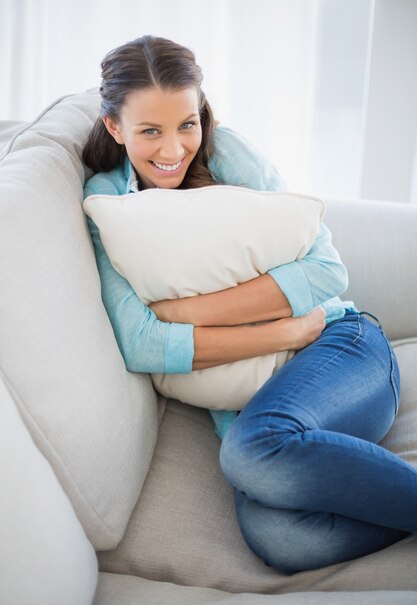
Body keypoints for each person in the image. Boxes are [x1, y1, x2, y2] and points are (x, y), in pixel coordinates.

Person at [83, 35, 416, 575]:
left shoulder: (225, 154)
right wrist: (280, 334)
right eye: (150, 131)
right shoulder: (107, 205)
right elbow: (141, 342)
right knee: (282, 540)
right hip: (267, 386)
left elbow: (326, 268)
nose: (173, 151)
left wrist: (187, 312)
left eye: (186, 124)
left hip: (340, 350)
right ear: (115, 128)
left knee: (247, 452)